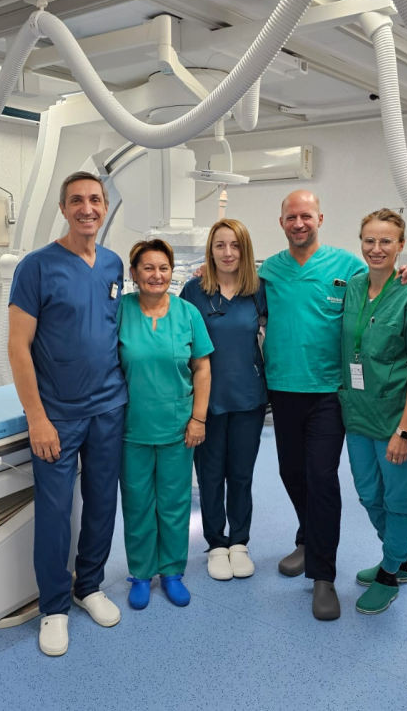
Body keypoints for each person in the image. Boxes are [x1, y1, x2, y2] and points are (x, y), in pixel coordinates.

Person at [259, 189, 407, 621]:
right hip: (282, 388)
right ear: (281, 222)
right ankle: (307, 539)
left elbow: (383, 285)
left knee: (322, 479)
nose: (299, 223)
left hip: (330, 392)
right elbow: (238, 294)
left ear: (320, 219)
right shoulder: (270, 271)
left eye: (306, 216)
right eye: (291, 217)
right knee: (291, 473)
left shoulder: (348, 267)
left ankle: (323, 575)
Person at [8, 171, 126, 657]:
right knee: (56, 512)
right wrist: (36, 417)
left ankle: (88, 585)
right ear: (63, 208)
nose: (87, 208)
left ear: (105, 207)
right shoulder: (36, 267)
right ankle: (54, 606)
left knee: (102, 502)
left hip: (109, 406)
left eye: (95, 200)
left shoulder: (113, 264)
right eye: (77, 200)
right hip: (57, 414)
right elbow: (18, 347)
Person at [339, 209, 407, 615]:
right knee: (368, 495)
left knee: (399, 500)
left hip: (399, 418)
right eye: (369, 240)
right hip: (359, 415)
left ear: (401, 245)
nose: (376, 248)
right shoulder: (353, 286)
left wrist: (405, 430)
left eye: (386, 241)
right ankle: (398, 558)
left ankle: (389, 573)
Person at [118, 238, 213, 610]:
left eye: (163, 268)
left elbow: (202, 368)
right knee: (138, 503)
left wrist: (198, 418)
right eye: (148, 268)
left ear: (172, 272)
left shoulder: (188, 313)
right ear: (134, 273)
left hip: (178, 426)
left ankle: (172, 571)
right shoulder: (120, 310)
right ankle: (141, 574)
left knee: (174, 502)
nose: (156, 275)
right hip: (131, 428)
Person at [181, 219, 268, 581]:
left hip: (248, 398)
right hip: (207, 403)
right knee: (211, 475)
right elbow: (181, 343)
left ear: (244, 250)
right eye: (220, 245)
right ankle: (217, 543)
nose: (228, 252)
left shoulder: (258, 290)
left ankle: (239, 542)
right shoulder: (194, 291)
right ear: (210, 250)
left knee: (242, 475)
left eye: (235, 245)